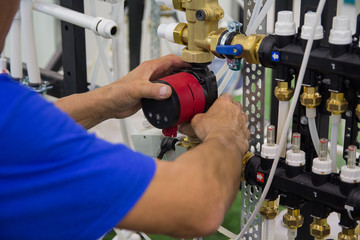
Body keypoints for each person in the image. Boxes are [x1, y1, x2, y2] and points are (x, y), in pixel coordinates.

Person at [0, 1, 250, 239]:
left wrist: (108, 98)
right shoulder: (13, 123)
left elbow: (29, 131)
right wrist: (226, 136)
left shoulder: (11, 110)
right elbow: (197, 204)